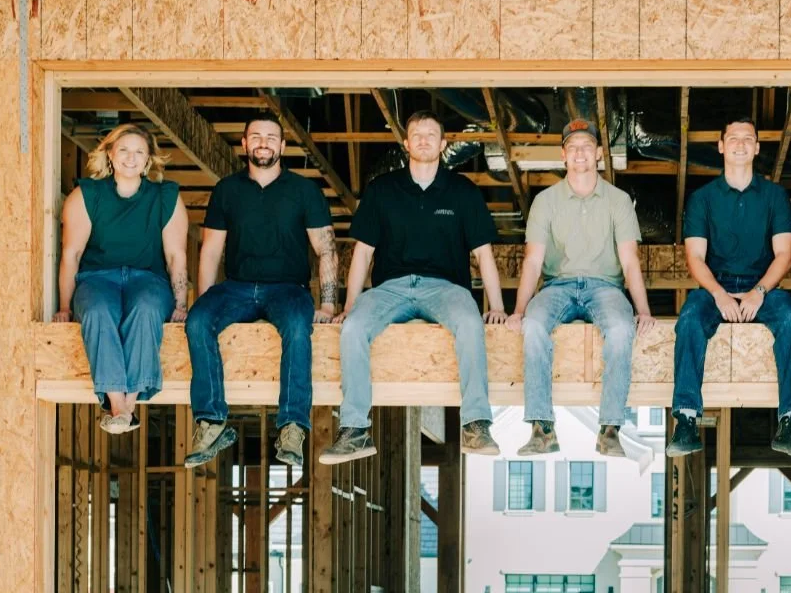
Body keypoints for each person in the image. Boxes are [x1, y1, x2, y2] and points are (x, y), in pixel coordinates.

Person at [321, 110, 505, 463]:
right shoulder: (382, 190)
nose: (423, 140)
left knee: (469, 322)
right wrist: (349, 305)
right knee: (354, 327)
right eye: (416, 134)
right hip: (391, 288)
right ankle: (355, 430)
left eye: (431, 134)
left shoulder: (463, 192)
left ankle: (476, 424)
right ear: (406, 143)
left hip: (447, 288)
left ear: (444, 144)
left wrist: (495, 306)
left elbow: (484, 254)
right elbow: (362, 255)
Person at [183, 116, 339, 468]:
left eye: (271, 137)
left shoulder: (304, 191)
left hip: (288, 289)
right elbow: (210, 251)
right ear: (244, 144)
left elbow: (326, 248)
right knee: (197, 321)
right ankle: (210, 422)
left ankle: (293, 426)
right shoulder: (227, 189)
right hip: (237, 288)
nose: (264, 142)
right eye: (256, 136)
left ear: (283, 146)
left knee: (299, 329)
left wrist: (328, 304)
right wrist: (204, 300)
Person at [507, 118, 656, 457]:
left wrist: (643, 311)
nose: (579, 154)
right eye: (573, 148)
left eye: (586, 147)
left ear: (599, 154)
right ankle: (542, 429)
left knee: (620, 329)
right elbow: (532, 260)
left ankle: (610, 429)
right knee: (532, 326)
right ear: (563, 155)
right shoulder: (545, 201)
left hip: (606, 288)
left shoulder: (618, 201)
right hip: (557, 285)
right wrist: (518, 311)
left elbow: (630, 260)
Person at [666, 117, 791, 458]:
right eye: (733, 138)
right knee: (688, 319)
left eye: (749, 138)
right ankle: (685, 420)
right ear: (721, 146)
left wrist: (758, 293)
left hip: (764, 288)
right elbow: (695, 258)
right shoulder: (702, 199)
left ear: (757, 148)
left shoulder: (775, 196)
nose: (741, 143)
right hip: (715, 286)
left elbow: (784, 255)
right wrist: (718, 294)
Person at [54, 123, 188, 434]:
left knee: (146, 309)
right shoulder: (87, 194)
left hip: (149, 279)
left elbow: (176, 256)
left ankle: (130, 401)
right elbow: (71, 254)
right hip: (98, 278)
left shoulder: (165, 196)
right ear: (110, 154)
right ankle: (119, 404)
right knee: (98, 311)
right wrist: (64, 306)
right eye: (124, 150)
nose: (131, 157)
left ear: (148, 160)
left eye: (139, 152)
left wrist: (181, 303)